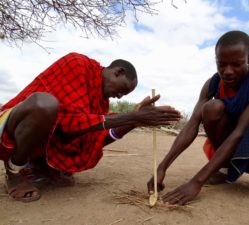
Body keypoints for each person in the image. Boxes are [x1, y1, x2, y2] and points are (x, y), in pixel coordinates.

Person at [147, 30, 249, 210]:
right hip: (229, 152)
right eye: (222, 64)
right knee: (211, 108)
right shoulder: (212, 84)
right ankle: (224, 170)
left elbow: (241, 130)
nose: (227, 71)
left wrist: (196, 182)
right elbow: (192, 124)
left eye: (236, 64)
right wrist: (162, 167)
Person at [0, 52, 181, 202]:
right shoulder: (76, 63)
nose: (119, 96)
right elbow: (68, 124)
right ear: (118, 71)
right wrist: (131, 116)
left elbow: (96, 138)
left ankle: (41, 166)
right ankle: (14, 170)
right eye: (122, 90)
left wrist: (133, 121)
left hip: (41, 137)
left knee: (90, 128)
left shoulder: (100, 102)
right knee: (45, 104)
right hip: (10, 125)